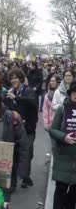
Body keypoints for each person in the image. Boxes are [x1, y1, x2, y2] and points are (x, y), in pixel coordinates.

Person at [5, 68, 38, 188]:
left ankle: (25, 176)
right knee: (14, 154)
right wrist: (7, 97)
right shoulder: (10, 92)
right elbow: (7, 108)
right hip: (14, 129)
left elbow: (32, 103)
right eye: (12, 78)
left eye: (15, 78)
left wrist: (16, 98)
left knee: (27, 153)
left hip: (28, 128)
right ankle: (13, 181)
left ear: (21, 79)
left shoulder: (28, 91)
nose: (13, 80)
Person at [49, 81, 76, 209]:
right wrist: (64, 137)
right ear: (70, 94)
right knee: (60, 192)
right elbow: (52, 129)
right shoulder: (62, 109)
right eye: (74, 93)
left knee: (73, 195)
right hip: (63, 157)